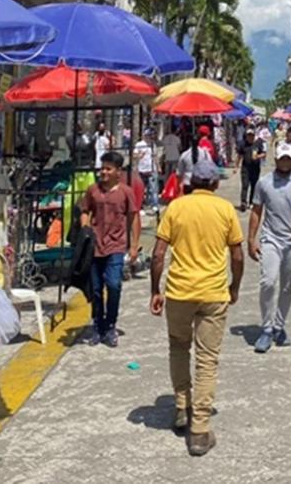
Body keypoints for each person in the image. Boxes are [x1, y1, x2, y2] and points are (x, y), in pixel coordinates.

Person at [149, 158, 244, 457]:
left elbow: (158, 254)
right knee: (207, 360)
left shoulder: (176, 207)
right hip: (214, 293)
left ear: (191, 182)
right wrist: (235, 286)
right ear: (215, 183)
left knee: (178, 347)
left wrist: (155, 289)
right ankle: (200, 430)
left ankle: (181, 407)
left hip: (178, 292)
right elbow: (238, 256)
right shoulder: (225, 209)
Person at [248, 142, 291, 353]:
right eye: (282, 158)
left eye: (289, 159)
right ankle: (266, 328)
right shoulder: (264, 183)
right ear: (276, 160)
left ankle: (279, 325)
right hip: (271, 239)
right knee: (268, 282)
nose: (285, 162)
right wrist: (251, 239)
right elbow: (256, 211)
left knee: (287, 286)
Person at [79, 151, 141, 347]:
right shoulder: (92, 190)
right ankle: (98, 326)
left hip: (116, 245)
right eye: (102, 168)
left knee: (113, 285)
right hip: (94, 247)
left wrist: (133, 246)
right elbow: (85, 210)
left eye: (108, 168)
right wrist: (85, 229)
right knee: (96, 289)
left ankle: (111, 324)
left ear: (118, 172)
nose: (103, 172)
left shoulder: (126, 192)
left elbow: (134, 217)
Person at [236, 128, 266, 211]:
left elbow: (264, 154)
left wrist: (258, 156)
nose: (250, 137)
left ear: (254, 136)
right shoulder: (243, 144)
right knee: (245, 185)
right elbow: (239, 156)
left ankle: (252, 202)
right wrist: (236, 167)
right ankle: (243, 202)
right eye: (248, 136)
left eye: (251, 135)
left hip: (255, 168)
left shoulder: (258, 143)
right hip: (245, 168)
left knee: (254, 185)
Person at [133, 129, 158, 210]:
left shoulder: (153, 145)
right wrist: (140, 155)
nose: (150, 137)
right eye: (148, 135)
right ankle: (140, 205)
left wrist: (158, 166)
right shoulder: (139, 144)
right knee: (141, 189)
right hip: (142, 170)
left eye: (151, 135)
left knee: (153, 188)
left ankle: (154, 204)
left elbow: (154, 156)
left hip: (151, 169)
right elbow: (134, 155)